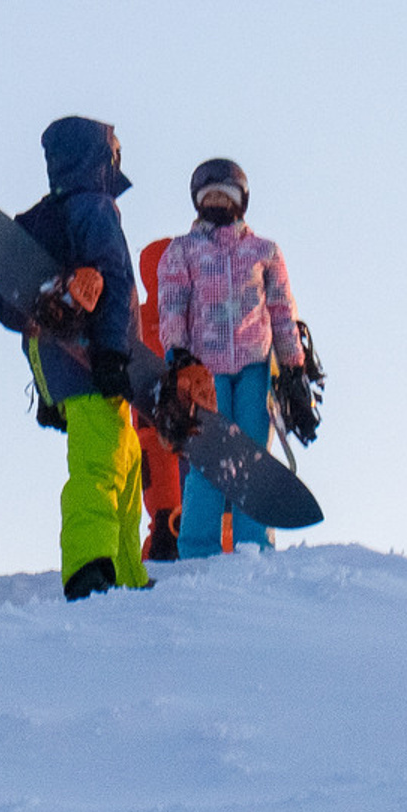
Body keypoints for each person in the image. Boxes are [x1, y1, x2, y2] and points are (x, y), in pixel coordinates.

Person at [0, 117, 148, 600]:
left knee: (125, 456)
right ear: (100, 158)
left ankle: (128, 573)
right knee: (102, 465)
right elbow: (115, 279)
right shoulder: (95, 207)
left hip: (58, 360)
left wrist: (46, 388)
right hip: (95, 358)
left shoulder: (39, 217)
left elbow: (15, 304)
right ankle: (91, 569)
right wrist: (111, 353)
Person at [155, 158, 309, 554]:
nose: (218, 202)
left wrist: (293, 369)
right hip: (205, 372)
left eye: (226, 195)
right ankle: (197, 550)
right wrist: (180, 357)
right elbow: (172, 306)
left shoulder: (265, 252)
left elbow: (281, 312)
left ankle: (253, 546)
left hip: (255, 368)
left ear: (241, 201)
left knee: (253, 460)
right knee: (207, 460)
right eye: (210, 196)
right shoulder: (182, 251)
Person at [133, 236, 186, 561]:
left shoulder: (134, 319)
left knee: (169, 502)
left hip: (159, 427)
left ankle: (165, 540)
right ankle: (167, 540)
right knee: (168, 502)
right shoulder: (139, 320)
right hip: (156, 428)